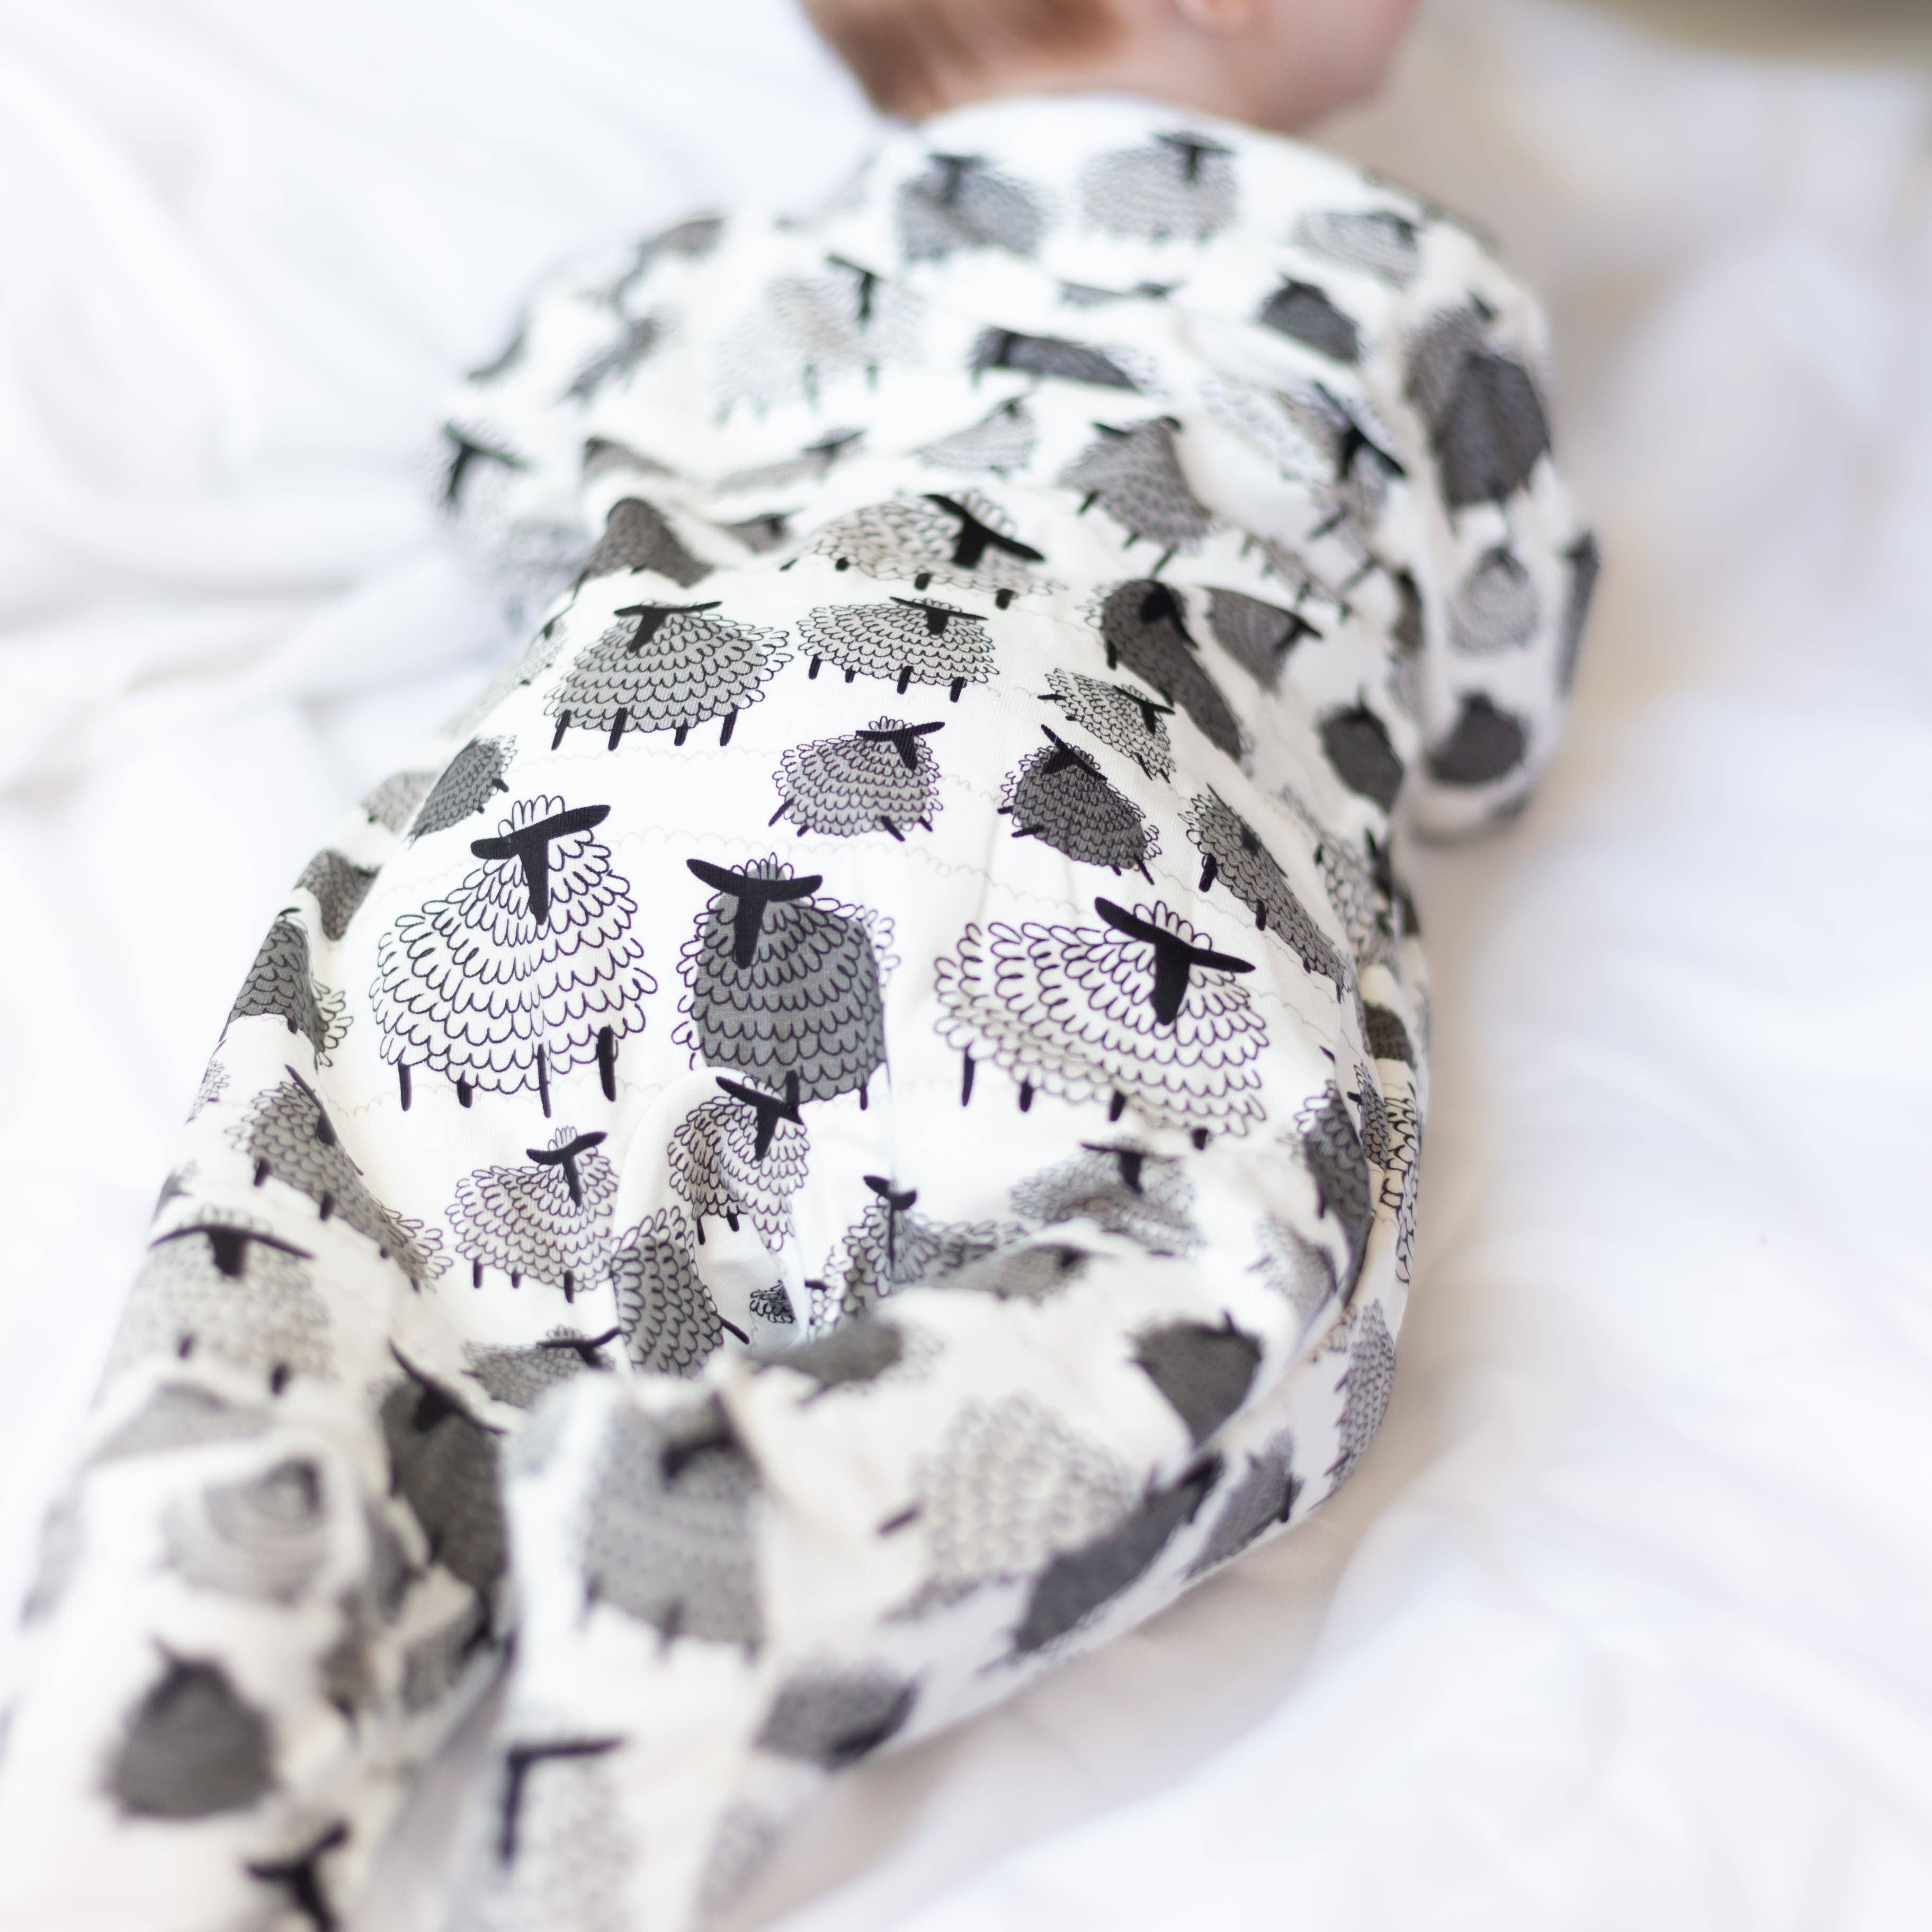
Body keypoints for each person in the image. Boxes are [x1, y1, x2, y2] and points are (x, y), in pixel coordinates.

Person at [0, 0, 1596, 1925]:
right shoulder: (1410, 278)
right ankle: (751, 1525)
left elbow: (502, 487)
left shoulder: (688, 276)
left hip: (610, 739)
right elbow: (1494, 720)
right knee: (1223, 1268)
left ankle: (163, 1685)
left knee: (339, 1267)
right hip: (1066, 744)